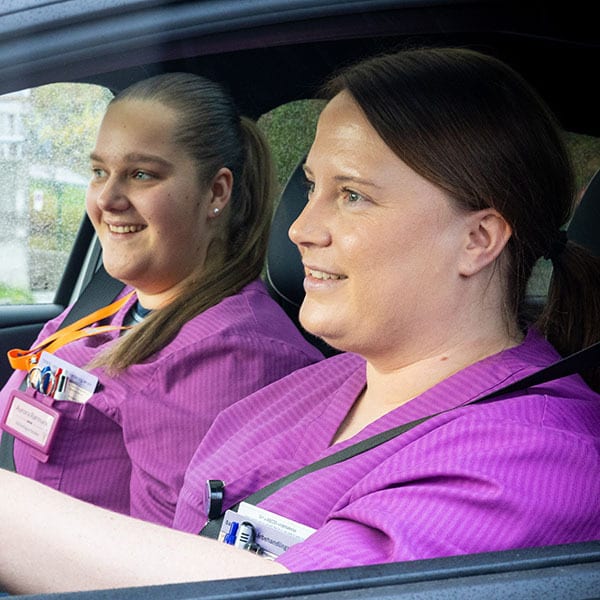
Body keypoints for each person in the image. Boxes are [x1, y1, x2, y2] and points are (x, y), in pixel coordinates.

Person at [2, 46, 600, 595]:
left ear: (478, 238)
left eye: (353, 195)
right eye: (312, 186)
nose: (299, 228)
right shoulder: (311, 387)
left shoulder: (536, 458)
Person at [0, 72, 323, 528]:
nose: (107, 198)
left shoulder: (229, 359)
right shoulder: (121, 299)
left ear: (216, 192)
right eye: (99, 171)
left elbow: (162, 564)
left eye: (141, 174)